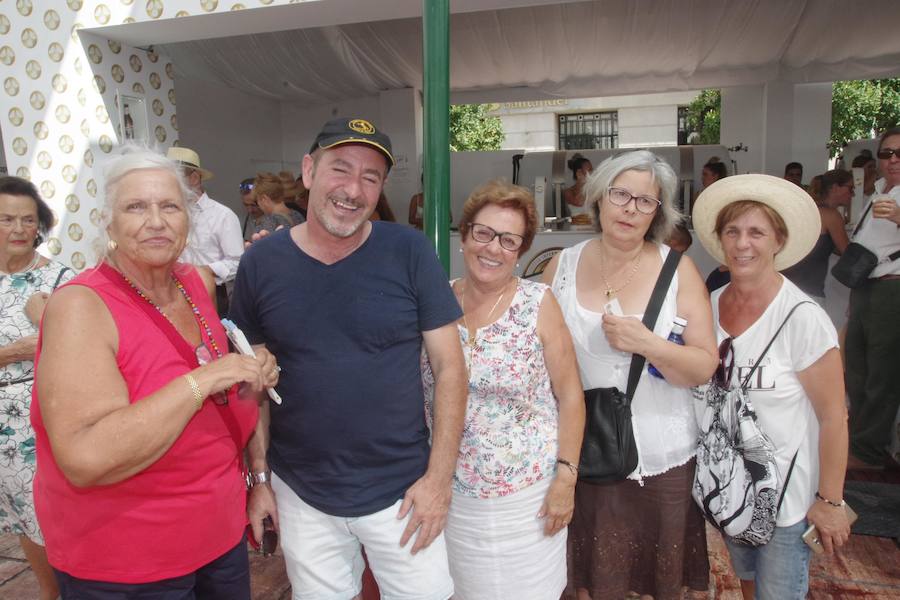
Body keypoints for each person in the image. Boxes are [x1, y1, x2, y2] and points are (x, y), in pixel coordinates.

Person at [230, 117, 467, 600]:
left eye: (370, 177)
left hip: (403, 491)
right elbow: (252, 380)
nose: (353, 189)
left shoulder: (410, 251)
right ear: (309, 172)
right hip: (302, 493)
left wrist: (439, 481)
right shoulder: (261, 262)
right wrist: (259, 479)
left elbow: (450, 368)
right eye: (340, 169)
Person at [31, 147, 279, 597]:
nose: (156, 221)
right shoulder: (81, 306)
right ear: (108, 222)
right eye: (136, 207)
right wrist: (204, 380)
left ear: (188, 218)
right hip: (128, 559)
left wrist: (257, 475)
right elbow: (85, 459)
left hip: (219, 537)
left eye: (170, 206)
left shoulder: (195, 281)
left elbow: (231, 397)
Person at [544, 150, 718, 600]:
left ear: (659, 212)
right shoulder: (560, 266)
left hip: (661, 454)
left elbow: (705, 365)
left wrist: (650, 344)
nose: (630, 209)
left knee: (655, 581)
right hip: (582, 453)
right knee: (585, 579)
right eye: (621, 194)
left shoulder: (678, 270)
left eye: (646, 201)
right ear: (599, 197)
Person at [421, 180, 584, 599]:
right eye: (484, 233)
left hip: (526, 500)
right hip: (452, 497)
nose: (493, 248)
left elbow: (570, 395)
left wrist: (566, 477)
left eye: (508, 240)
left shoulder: (538, 303)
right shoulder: (436, 301)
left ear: (520, 250)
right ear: (464, 234)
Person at [692, 173, 851, 600]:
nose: (743, 243)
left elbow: (834, 414)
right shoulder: (706, 307)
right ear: (721, 240)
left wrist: (831, 501)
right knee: (747, 587)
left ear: (778, 241)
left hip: (786, 500)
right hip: (729, 490)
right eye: (733, 231)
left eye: (756, 232)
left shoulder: (803, 316)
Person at [0, 176, 73, 600]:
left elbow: (92, 351)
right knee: (18, 517)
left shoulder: (62, 280)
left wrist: (48, 329)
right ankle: (51, 593)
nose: (19, 229)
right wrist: (12, 351)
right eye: (7, 219)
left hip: (42, 416)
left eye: (28, 219)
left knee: (50, 515)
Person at [845, 126, 900, 470]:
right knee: (857, 367)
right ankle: (861, 437)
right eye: (887, 153)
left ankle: (870, 451)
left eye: (899, 154)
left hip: (892, 288)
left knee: (883, 371)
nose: (893, 160)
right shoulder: (878, 190)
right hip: (866, 285)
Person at [167, 146, 244, 315]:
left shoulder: (222, 215)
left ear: (194, 178)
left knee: (212, 340)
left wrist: (203, 272)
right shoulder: (167, 216)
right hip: (171, 293)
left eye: (175, 177)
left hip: (211, 293)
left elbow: (237, 262)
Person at [782, 169, 851, 303]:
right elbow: (847, 252)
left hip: (787, 284)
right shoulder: (831, 216)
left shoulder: (806, 209)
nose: (852, 194)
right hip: (809, 288)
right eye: (850, 188)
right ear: (836, 188)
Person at [563, 154, 593, 223]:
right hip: (576, 230)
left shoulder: (593, 189)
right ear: (579, 173)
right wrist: (582, 183)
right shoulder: (568, 192)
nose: (592, 173)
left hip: (592, 229)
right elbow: (579, 203)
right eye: (589, 170)